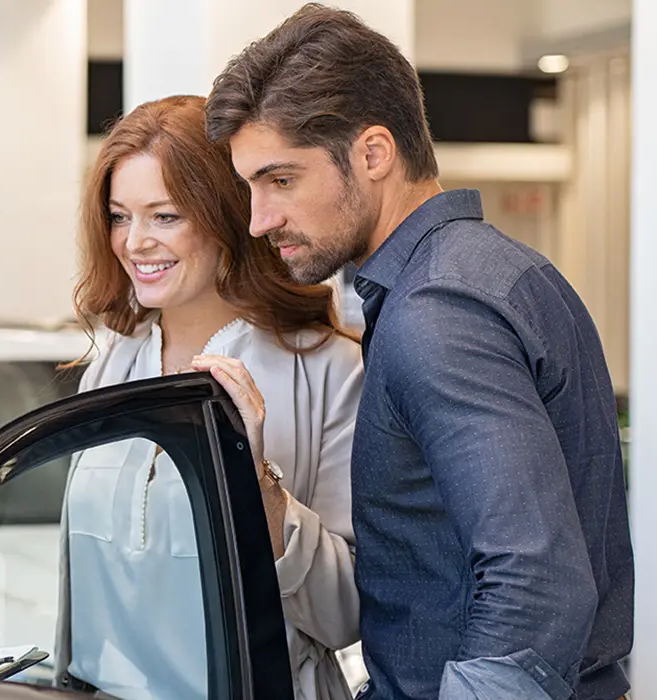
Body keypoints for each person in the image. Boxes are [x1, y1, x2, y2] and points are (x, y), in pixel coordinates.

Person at [205, 5, 634, 700]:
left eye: (280, 180)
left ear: (373, 154)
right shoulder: (499, 271)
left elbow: (534, 579)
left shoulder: (437, 312)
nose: (259, 220)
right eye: (250, 186)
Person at [56, 95, 364, 700]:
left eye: (164, 216)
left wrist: (260, 485)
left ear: (226, 215)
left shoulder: (330, 371)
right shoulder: (113, 362)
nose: (135, 242)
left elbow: (346, 613)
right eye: (120, 216)